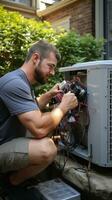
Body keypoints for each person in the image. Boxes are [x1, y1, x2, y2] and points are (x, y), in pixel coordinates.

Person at [0, 40, 78, 187]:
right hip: (2, 143)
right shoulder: (15, 83)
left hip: (6, 137)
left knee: (49, 133)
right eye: (51, 66)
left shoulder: (21, 80)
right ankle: (11, 182)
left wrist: (49, 95)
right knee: (47, 149)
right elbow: (39, 128)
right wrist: (63, 107)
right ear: (35, 58)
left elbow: (27, 107)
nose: (53, 72)